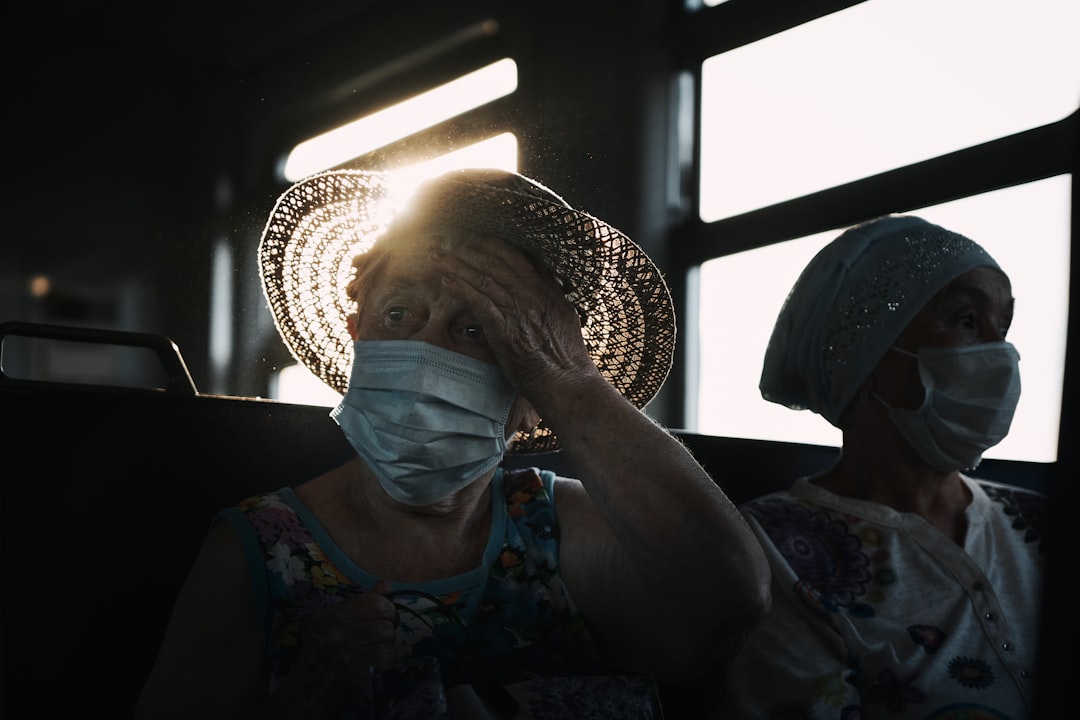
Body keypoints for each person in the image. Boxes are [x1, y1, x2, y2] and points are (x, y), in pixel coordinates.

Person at [135, 167, 771, 719]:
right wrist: (303, 701)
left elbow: (727, 603)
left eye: (475, 329)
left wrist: (568, 377)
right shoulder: (258, 549)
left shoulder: (563, 527)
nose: (425, 350)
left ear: (528, 399)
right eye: (398, 315)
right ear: (356, 338)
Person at [712, 215, 1045, 719]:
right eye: (965, 320)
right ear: (864, 354)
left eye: (1003, 327)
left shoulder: (1044, 521)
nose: (1000, 354)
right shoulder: (770, 553)